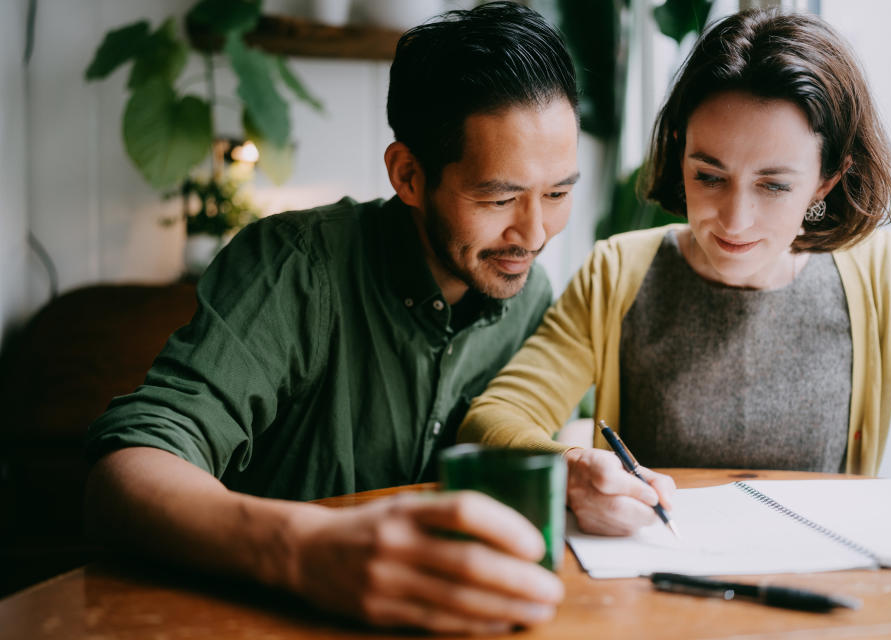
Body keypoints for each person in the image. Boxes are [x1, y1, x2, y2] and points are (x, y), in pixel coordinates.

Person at [83, 2, 580, 634]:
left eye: (559, 194)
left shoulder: (529, 297)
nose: (534, 234)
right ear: (408, 175)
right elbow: (124, 474)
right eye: (499, 196)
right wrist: (306, 550)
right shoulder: (294, 269)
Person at [459, 8, 891, 537]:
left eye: (773, 185)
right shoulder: (618, 273)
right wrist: (573, 467)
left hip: (829, 597)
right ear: (679, 153)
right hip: (660, 585)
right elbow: (492, 421)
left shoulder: (883, 276)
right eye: (709, 175)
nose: (735, 220)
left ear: (826, 181)